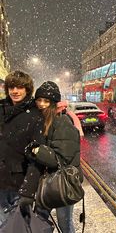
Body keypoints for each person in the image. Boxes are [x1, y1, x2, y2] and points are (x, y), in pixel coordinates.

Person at [26, 81, 83, 233]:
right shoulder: (41, 120)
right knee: (39, 221)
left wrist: (38, 150)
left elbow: (62, 159)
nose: (42, 104)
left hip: (62, 182)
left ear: (54, 103)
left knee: (64, 224)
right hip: (45, 181)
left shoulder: (62, 122)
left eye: (47, 101)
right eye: (39, 100)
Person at [0, 70, 45, 226]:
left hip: (19, 184)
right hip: (1, 181)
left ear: (27, 89)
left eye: (19, 87)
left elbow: (37, 156)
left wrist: (28, 191)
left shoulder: (35, 115)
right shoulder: (2, 110)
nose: (15, 91)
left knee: (16, 227)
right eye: (11, 87)